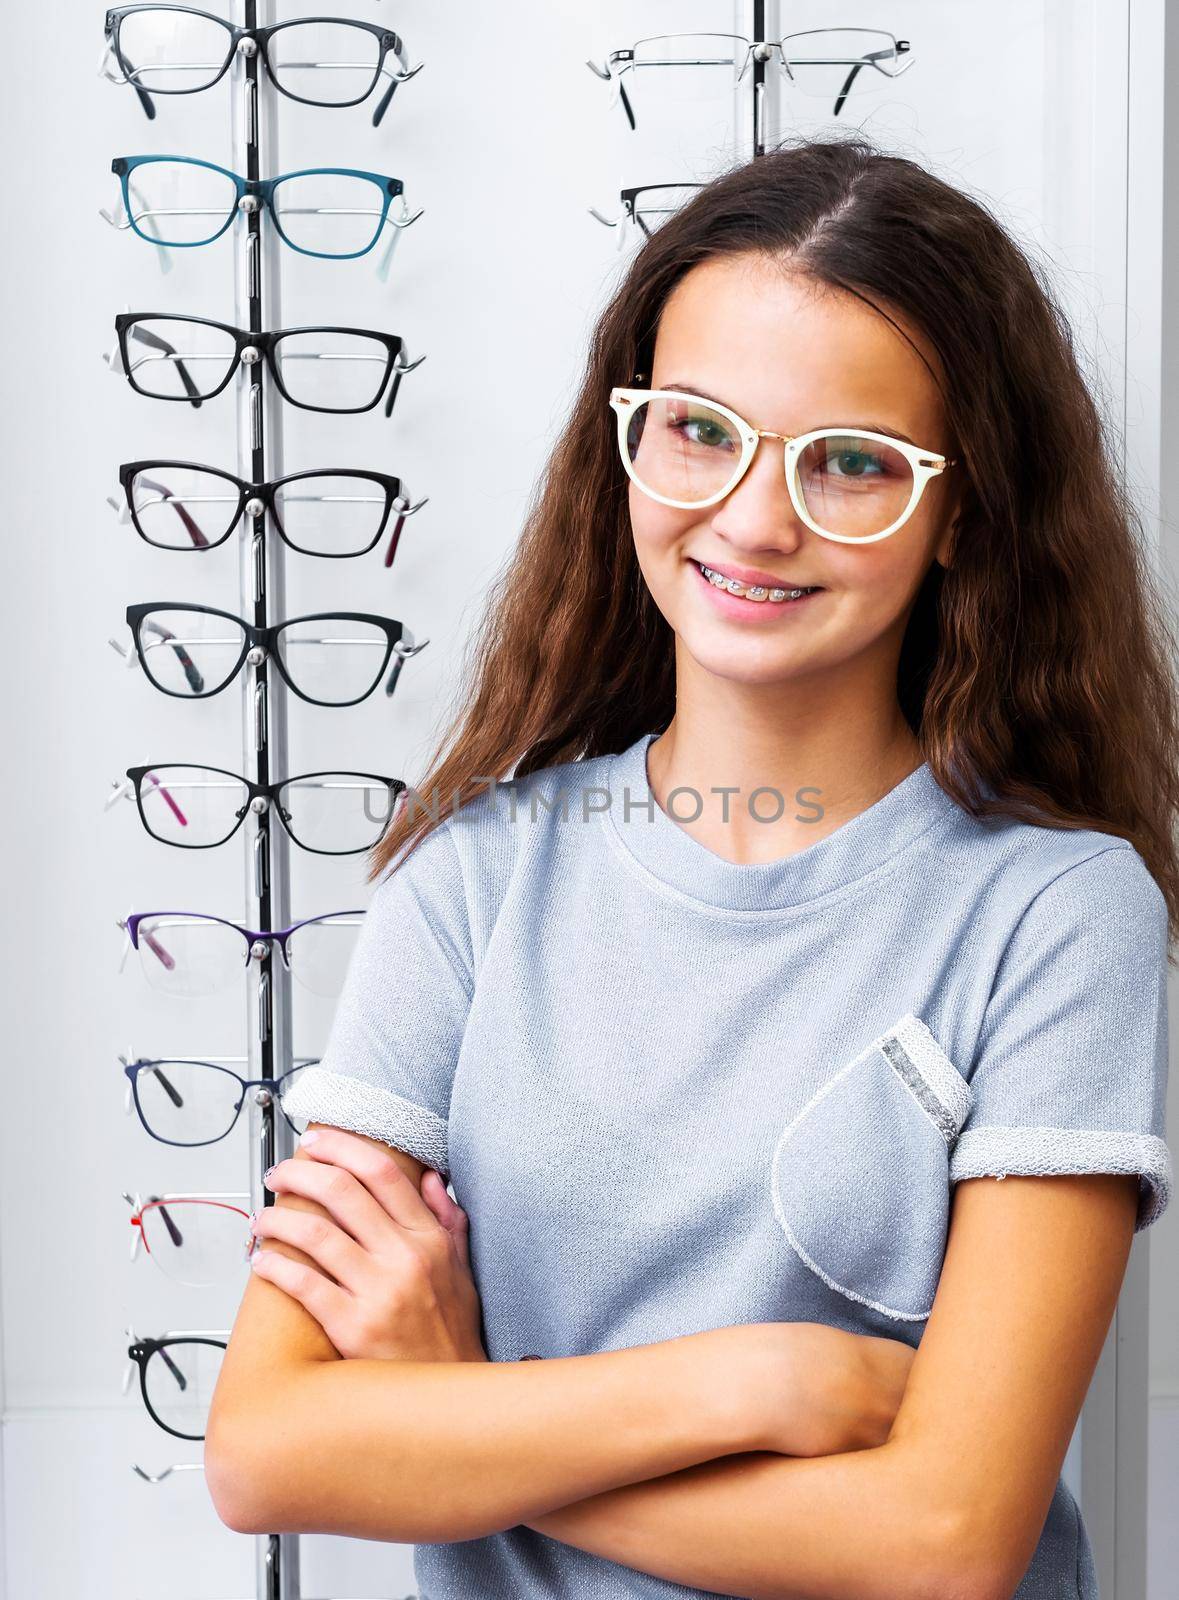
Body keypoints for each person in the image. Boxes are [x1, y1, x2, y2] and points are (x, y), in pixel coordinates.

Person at [205, 134, 1179, 1600]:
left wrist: (459, 1413)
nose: (754, 517)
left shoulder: (1057, 910)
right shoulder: (464, 886)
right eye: (698, 429)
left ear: (963, 510)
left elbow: (946, 1544)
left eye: (853, 463)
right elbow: (269, 1452)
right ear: (632, 437)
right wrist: (755, 1383)